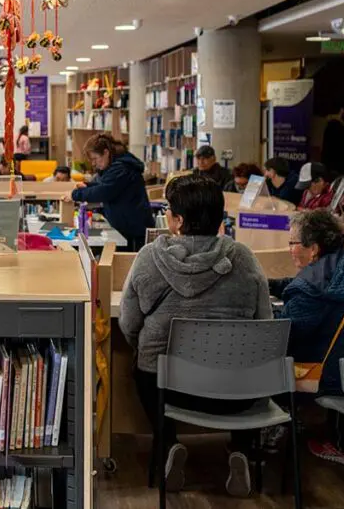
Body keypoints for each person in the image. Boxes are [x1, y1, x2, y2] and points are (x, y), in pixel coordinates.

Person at [119, 175, 272, 498]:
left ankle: (168, 444)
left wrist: (143, 345)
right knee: (249, 361)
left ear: (179, 220)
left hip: (169, 389)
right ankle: (240, 448)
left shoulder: (149, 257)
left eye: (168, 210)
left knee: (144, 363)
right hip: (236, 389)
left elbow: (129, 323)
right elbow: (264, 324)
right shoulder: (244, 258)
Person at [269, 210, 344, 464]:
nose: (289, 249)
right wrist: (270, 284)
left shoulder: (310, 289)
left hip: (321, 376)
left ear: (313, 248)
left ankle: (265, 435)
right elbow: (305, 285)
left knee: (258, 361)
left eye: (292, 243)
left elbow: (281, 337)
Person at [69, 134, 154, 251]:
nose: (93, 164)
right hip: (127, 227)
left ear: (106, 152)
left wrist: (75, 195)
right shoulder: (114, 167)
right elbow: (106, 185)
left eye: (95, 159)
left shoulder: (121, 168)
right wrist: (87, 186)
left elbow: (105, 191)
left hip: (134, 230)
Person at [322, 103, 344, 177]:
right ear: (342, 110)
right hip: (337, 172)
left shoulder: (333, 125)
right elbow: (343, 150)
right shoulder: (335, 127)